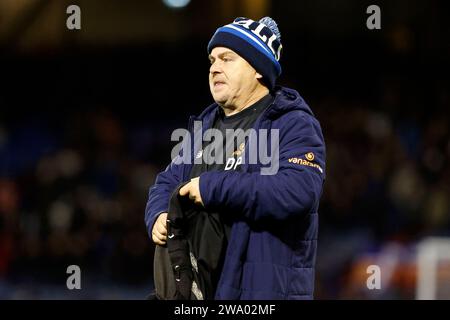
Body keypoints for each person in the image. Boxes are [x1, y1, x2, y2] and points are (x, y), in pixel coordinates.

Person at [145, 16, 326, 300]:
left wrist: (211, 187)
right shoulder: (205, 125)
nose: (215, 68)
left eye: (227, 59)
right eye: (212, 60)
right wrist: (158, 213)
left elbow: (299, 191)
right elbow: (167, 180)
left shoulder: (292, 123)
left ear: (257, 68)